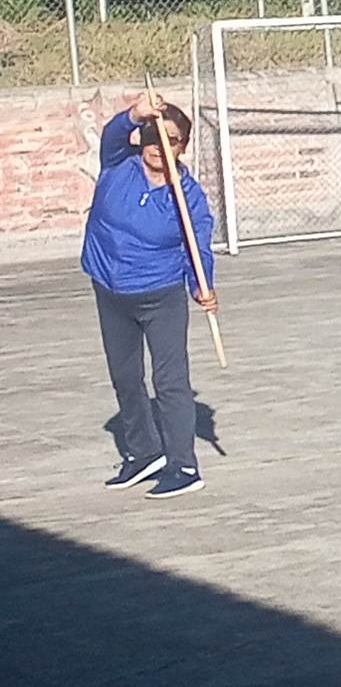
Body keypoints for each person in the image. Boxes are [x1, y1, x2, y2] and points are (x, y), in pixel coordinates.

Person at [83, 88, 217, 497]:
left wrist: (203, 287)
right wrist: (134, 113)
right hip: (109, 290)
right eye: (152, 136)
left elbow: (198, 247)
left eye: (170, 140)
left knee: (170, 382)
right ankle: (143, 454)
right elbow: (112, 134)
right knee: (125, 377)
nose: (159, 146)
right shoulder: (118, 165)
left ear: (183, 147)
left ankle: (183, 466)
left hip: (160, 295)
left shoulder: (188, 196)